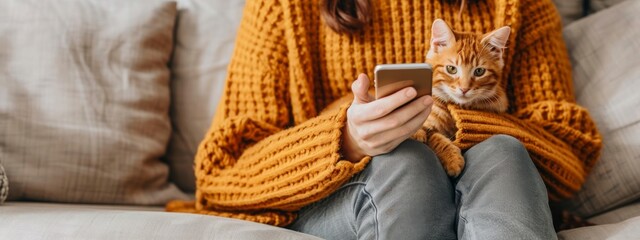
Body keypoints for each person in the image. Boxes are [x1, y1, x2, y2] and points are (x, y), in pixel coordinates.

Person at [166, 0, 603, 239]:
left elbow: (568, 152)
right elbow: (223, 173)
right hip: (348, 195)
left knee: (506, 152)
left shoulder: (517, 6)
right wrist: (348, 140)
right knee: (405, 162)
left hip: (484, 183)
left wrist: (460, 123)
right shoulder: (282, 8)